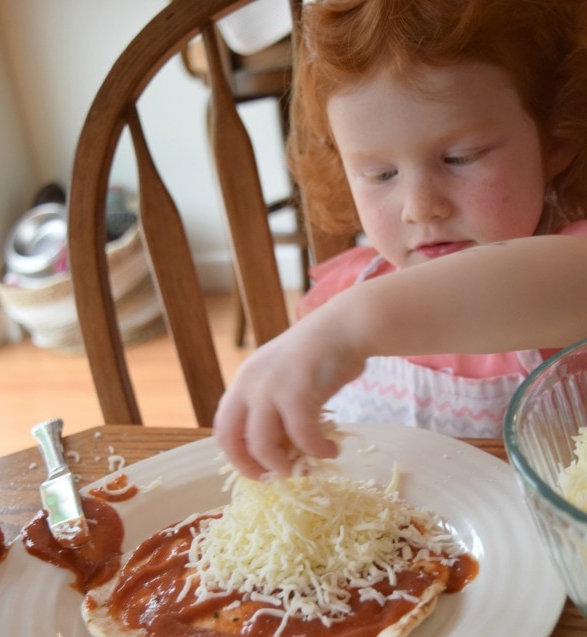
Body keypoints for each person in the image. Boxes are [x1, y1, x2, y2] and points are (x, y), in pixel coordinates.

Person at [214, 0, 587, 479]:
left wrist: (353, 327)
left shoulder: (567, 264)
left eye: (460, 158)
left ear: (556, 140)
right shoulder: (341, 290)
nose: (420, 205)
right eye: (380, 173)